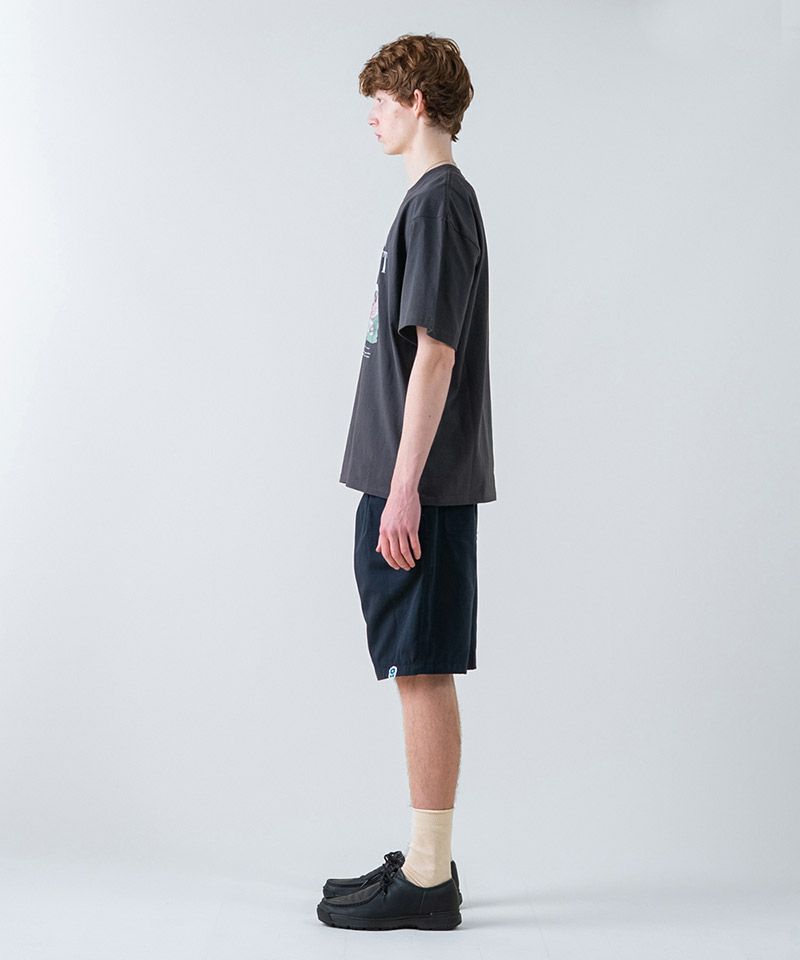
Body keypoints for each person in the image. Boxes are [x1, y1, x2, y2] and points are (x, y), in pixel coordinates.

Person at [316, 32, 496, 932]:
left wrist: (403, 488)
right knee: (412, 666)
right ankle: (428, 864)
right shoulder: (431, 203)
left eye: (381, 103)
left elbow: (436, 355)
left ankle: (428, 879)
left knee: (421, 669)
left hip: (416, 490)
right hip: (406, 484)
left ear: (417, 101)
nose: (373, 120)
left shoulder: (440, 203)